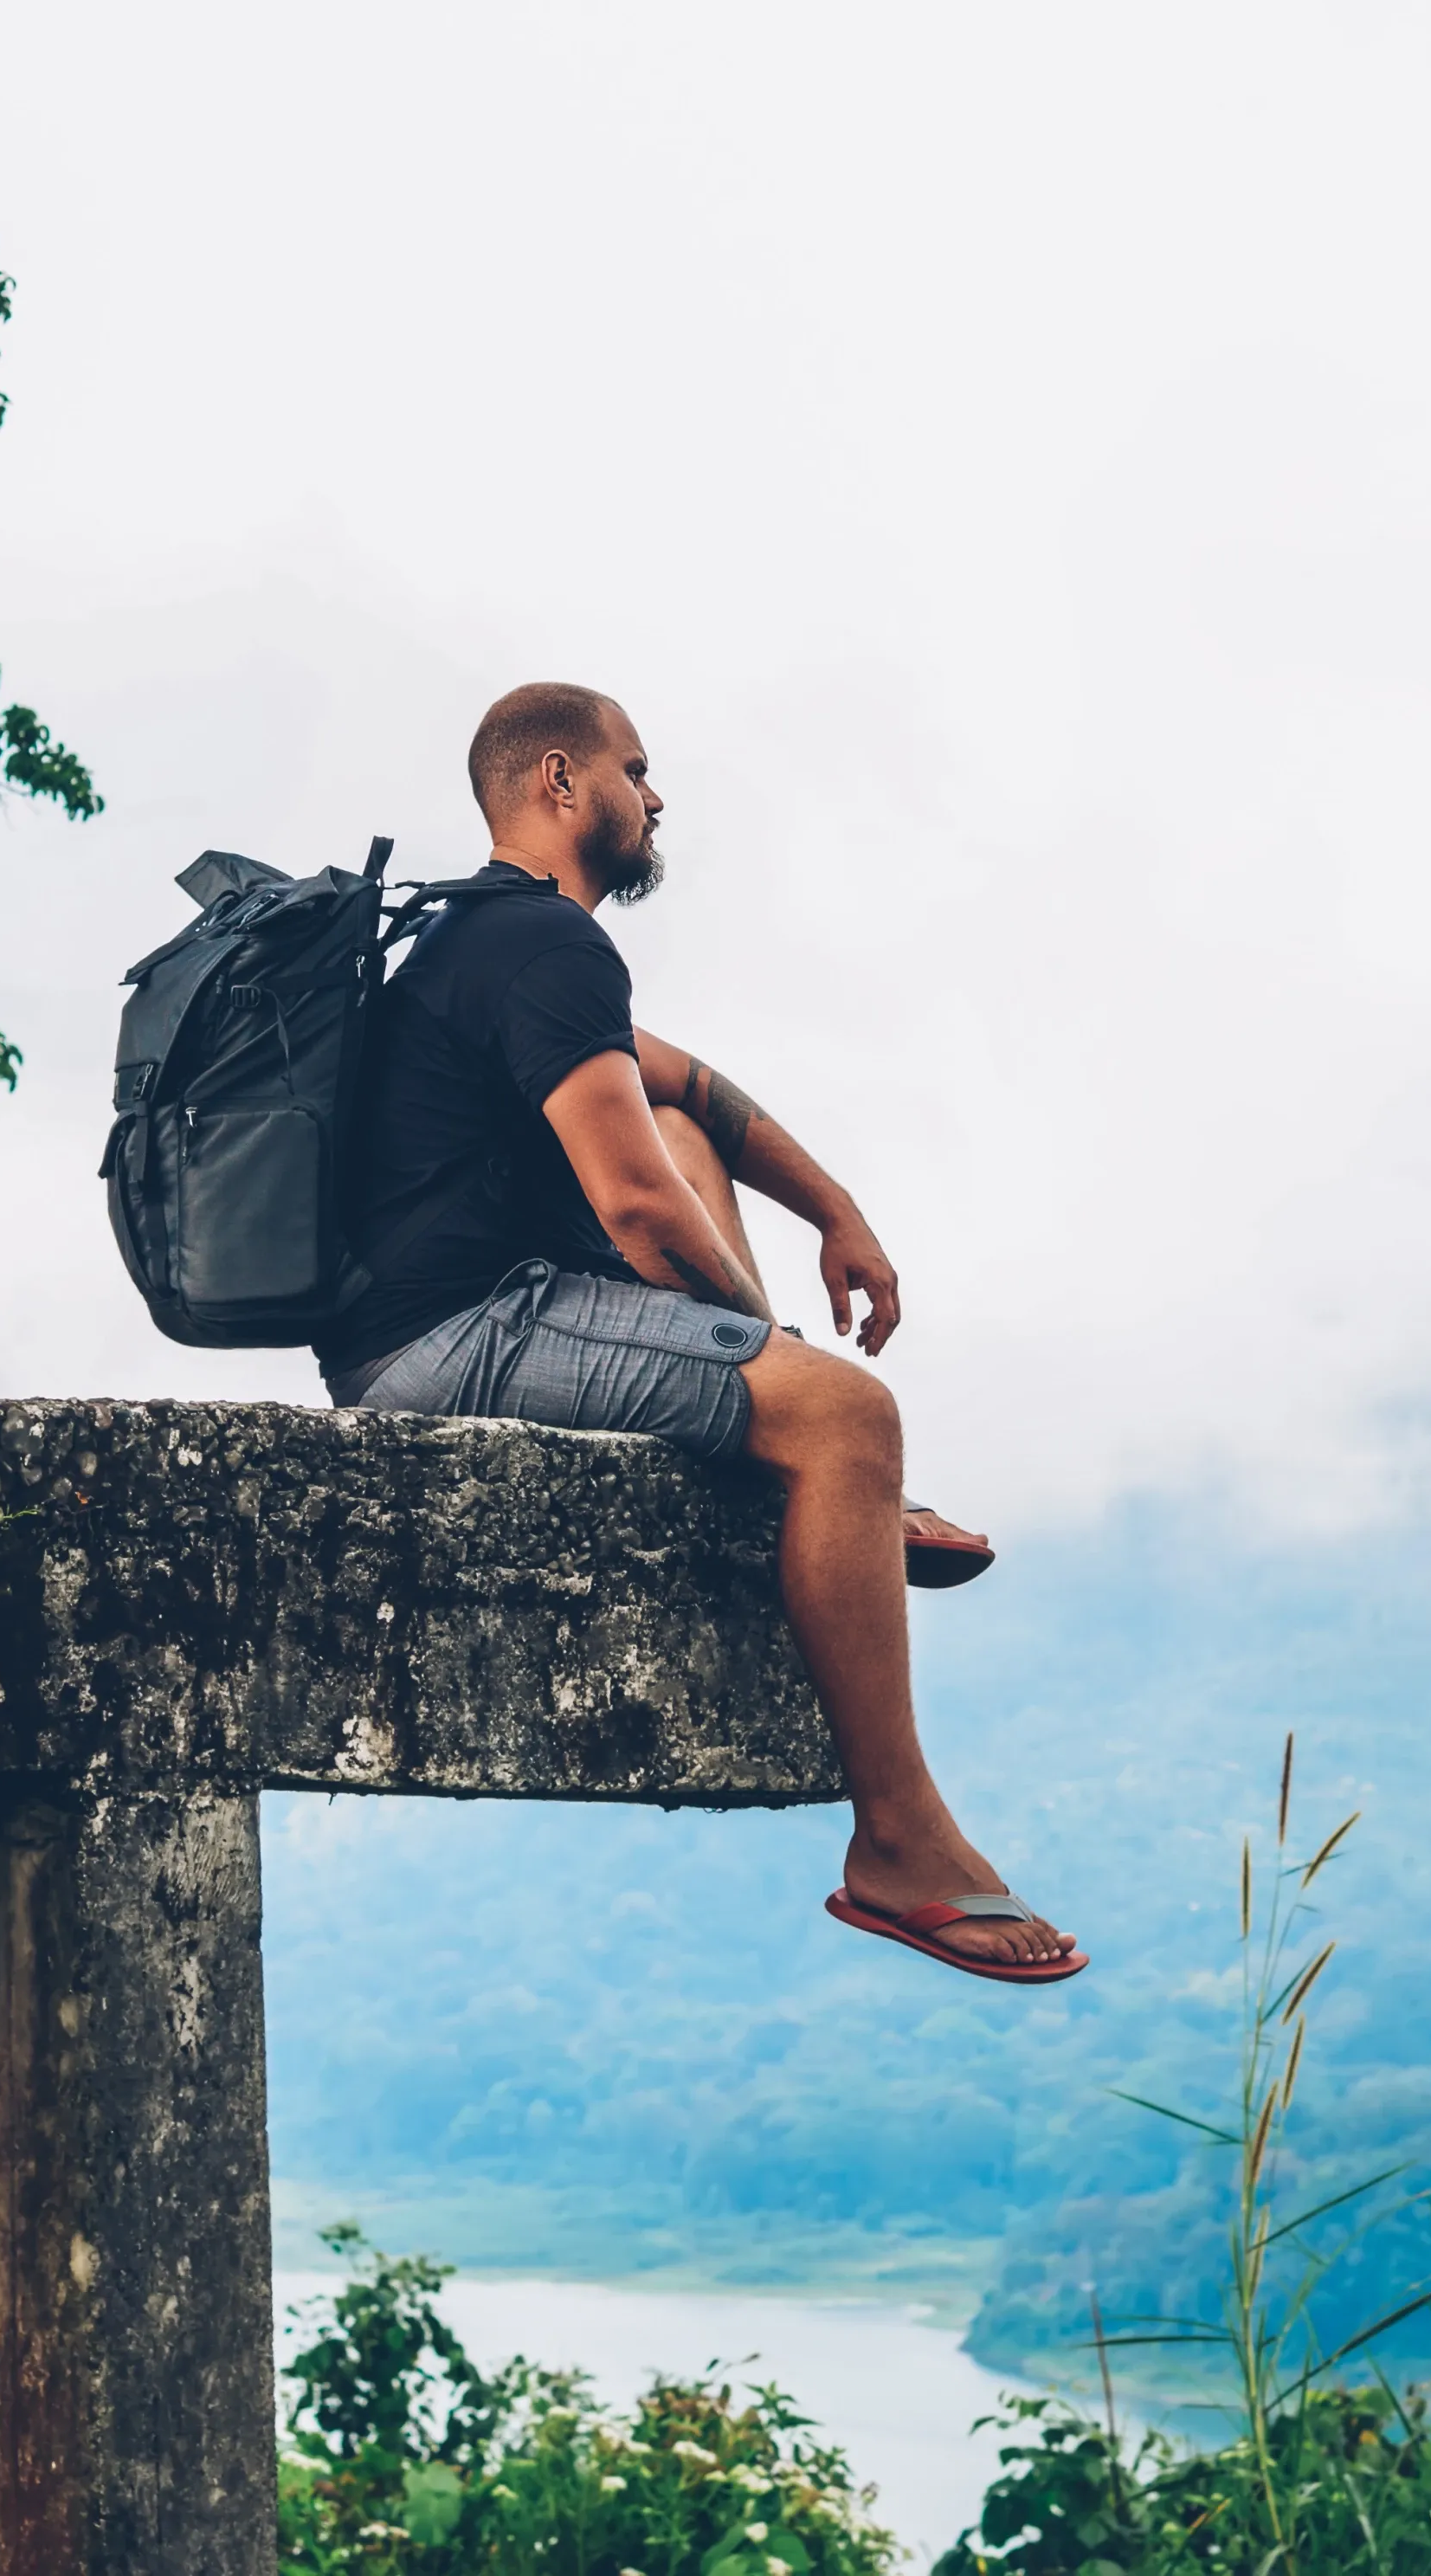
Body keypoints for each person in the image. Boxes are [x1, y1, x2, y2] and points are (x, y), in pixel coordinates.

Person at [322, 681, 1080, 1987]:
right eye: (635, 768)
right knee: (849, 1419)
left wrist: (835, 1211)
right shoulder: (545, 948)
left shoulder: (483, 940)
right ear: (560, 782)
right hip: (450, 1339)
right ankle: (897, 1841)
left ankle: (807, 1450)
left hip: (437, 1324)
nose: (655, 796)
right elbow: (630, 1208)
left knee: (678, 1143)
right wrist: (784, 1368)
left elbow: (687, 1096)